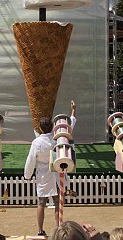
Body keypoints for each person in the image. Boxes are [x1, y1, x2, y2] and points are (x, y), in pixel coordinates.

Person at [24, 101, 77, 236]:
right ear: (53, 126)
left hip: (43, 176)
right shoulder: (58, 138)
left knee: (41, 203)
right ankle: (60, 231)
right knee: (58, 204)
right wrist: (73, 110)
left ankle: (40, 230)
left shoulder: (37, 143)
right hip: (58, 173)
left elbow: (31, 160)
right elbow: (69, 126)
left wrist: (27, 175)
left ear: (40, 128)